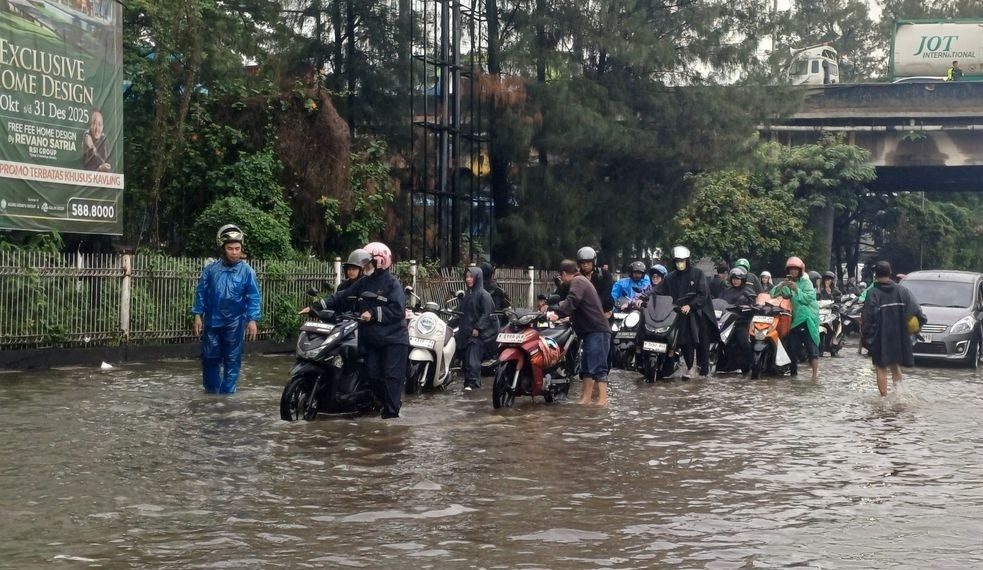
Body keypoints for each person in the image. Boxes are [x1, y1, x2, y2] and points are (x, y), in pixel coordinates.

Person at [313, 242, 409, 419]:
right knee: (372, 374)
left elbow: (397, 310)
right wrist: (317, 306)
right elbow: (342, 297)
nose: (364, 267)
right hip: (371, 340)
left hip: (393, 340)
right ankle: (383, 405)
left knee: (391, 379)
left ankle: (391, 420)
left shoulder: (392, 284)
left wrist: (372, 313)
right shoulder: (363, 283)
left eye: (368, 263)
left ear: (381, 262)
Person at [192, 224, 261, 394]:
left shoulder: (247, 272)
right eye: (230, 248)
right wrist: (197, 315)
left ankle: (227, 396)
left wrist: (252, 319)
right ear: (223, 249)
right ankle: (211, 393)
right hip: (213, 321)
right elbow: (201, 292)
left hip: (235, 322)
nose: (235, 252)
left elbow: (253, 296)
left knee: (232, 360)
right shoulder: (211, 270)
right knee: (209, 357)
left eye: (237, 248)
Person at [549, 259, 611, 405]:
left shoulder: (578, 282)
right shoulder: (581, 281)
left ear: (563, 274)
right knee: (587, 367)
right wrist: (568, 318)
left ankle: (603, 401)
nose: (562, 281)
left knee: (599, 367)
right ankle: (585, 399)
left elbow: (572, 300)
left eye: (561, 277)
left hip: (598, 331)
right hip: (590, 331)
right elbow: (581, 307)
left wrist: (558, 313)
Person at [862, 261, 926, 396]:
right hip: (899, 337)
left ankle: (884, 400)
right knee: (895, 365)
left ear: (876, 275)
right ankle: (899, 396)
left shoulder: (872, 293)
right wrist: (916, 329)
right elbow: (918, 313)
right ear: (890, 273)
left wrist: (866, 338)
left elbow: (867, 318)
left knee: (880, 367)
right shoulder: (903, 291)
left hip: (880, 337)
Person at [663, 246, 718, 379]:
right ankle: (688, 367)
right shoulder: (670, 277)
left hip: (700, 312)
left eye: (682, 260)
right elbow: (660, 290)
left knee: (702, 342)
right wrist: (643, 298)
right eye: (677, 261)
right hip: (680, 313)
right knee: (684, 340)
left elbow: (703, 293)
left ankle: (703, 371)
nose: (680, 263)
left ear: (687, 260)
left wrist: (690, 305)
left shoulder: (697, 274)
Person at [771, 256, 820, 380]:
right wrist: (782, 285)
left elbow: (808, 298)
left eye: (795, 270)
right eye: (791, 270)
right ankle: (794, 375)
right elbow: (773, 294)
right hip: (795, 320)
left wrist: (796, 289)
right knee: (792, 349)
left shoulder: (806, 282)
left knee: (812, 349)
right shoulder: (788, 283)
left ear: (800, 270)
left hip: (807, 319)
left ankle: (814, 377)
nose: (793, 272)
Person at [457, 266, 499, 391]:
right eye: (467, 277)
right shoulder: (467, 296)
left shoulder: (484, 295)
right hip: (466, 334)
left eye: (471, 276)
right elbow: (460, 313)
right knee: (465, 362)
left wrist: (478, 328)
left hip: (478, 336)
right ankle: (468, 385)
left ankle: (473, 385)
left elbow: (487, 314)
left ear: (478, 277)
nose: (468, 279)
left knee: (472, 361)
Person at [719, 267, 756, 375]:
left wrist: (748, 306)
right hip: (726, 322)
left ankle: (751, 364)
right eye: (734, 278)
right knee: (724, 343)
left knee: (743, 342)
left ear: (742, 280)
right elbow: (720, 301)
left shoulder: (748, 291)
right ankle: (728, 364)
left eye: (738, 278)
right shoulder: (726, 291)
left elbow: (754, 304)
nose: (735, 280)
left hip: (742, 322)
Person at [575, 246, 615, 317]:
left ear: (594, 261)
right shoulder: (576, 277)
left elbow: (606, 295)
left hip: (603, 313)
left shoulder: (604, 274)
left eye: (588, 262)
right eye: (582, 262)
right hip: (582, 315)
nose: (585, 265)